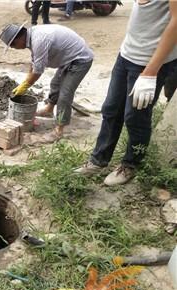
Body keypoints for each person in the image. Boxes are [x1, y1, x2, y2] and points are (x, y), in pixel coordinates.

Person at [75, 0, 177, 186]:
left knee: (135, 116)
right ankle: (99, 160)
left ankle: (131, 164)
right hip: (127, 54)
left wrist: (151, 72)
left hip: (149, 63)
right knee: (111, 109)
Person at [0, 23, 93, 137]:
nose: (14, 48)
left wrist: (25, 85)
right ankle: (49, 110)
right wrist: (25, 82)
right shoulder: (32, 36)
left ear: (18, 39)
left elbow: (38, 70)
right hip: (68, 58)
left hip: (80, 60)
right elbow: (34, 62)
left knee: (65, 94)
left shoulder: (39, 40)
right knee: (55, 84)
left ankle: (60, 128)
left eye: (13, 45)